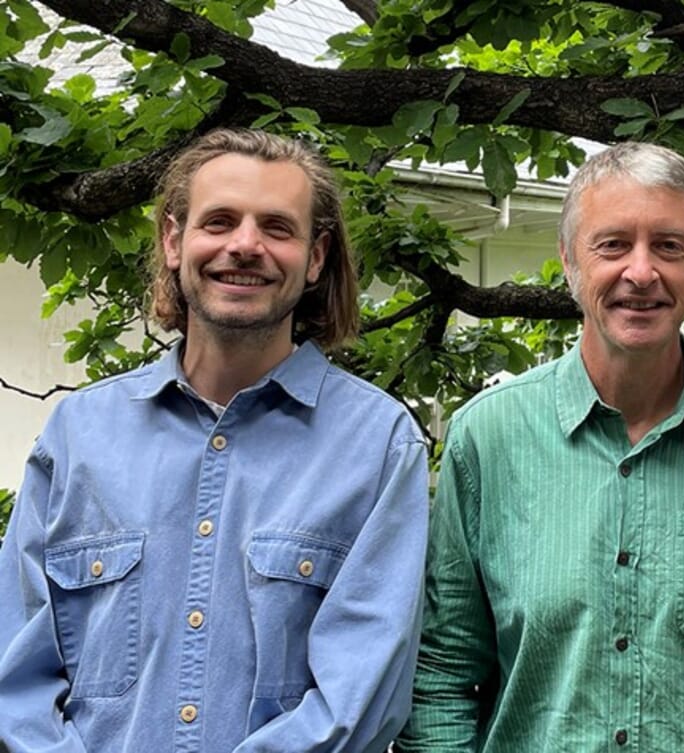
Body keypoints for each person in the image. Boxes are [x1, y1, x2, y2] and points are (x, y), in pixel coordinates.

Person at [0, 128, 430, 752]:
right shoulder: (79, 437)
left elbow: (356, 700)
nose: (245, 246)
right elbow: (17, 680)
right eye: (220, 221)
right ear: (175, 241)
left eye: (278, 228)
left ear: (316, 257)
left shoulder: (379, 447)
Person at [397, 142, 684, 752]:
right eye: (612, 244)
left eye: (669, 246)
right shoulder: (489, 437)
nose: (640, 273)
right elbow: (444, 673)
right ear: (569, 260)